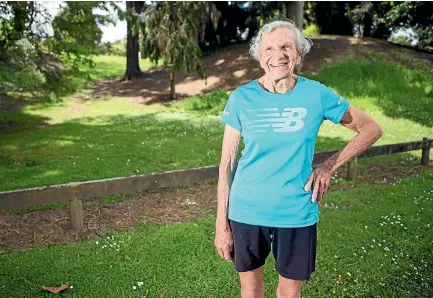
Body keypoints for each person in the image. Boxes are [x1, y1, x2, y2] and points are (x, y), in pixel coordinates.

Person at [215, 19, 383, 298]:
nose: (278, 55)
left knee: (289, 293)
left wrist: (329, 166)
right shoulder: (241, 98)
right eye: (268, 49)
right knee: (250, 289)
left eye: (286, 46)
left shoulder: (315, 93)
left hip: (296, 212)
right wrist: (222, 224)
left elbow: (370, 129)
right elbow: (227, 165)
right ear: (259, 56)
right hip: (246, 210)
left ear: (299, 53)